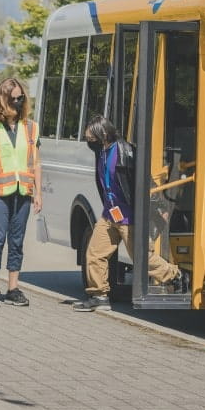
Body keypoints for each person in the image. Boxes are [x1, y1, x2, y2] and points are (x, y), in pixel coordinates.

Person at [73, 115, 188, 312]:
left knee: (142, 258)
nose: (89, 143)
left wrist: (158, 206)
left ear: (103, 134)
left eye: (91, 139)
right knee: (94, 253)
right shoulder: (101, 152)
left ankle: (175, 276)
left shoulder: (126, 151)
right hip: (110, 214)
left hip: (129, 216)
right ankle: (99, 295)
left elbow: (143, 181)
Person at [0, 77, 42, 307]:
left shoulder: (31, 127)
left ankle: (13, 289)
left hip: (22, 192)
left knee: (17, 241)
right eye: (12, 98)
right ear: (2, 99)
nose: (16, 102)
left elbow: (36, 163)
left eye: (20, 98)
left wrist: (38, 193)